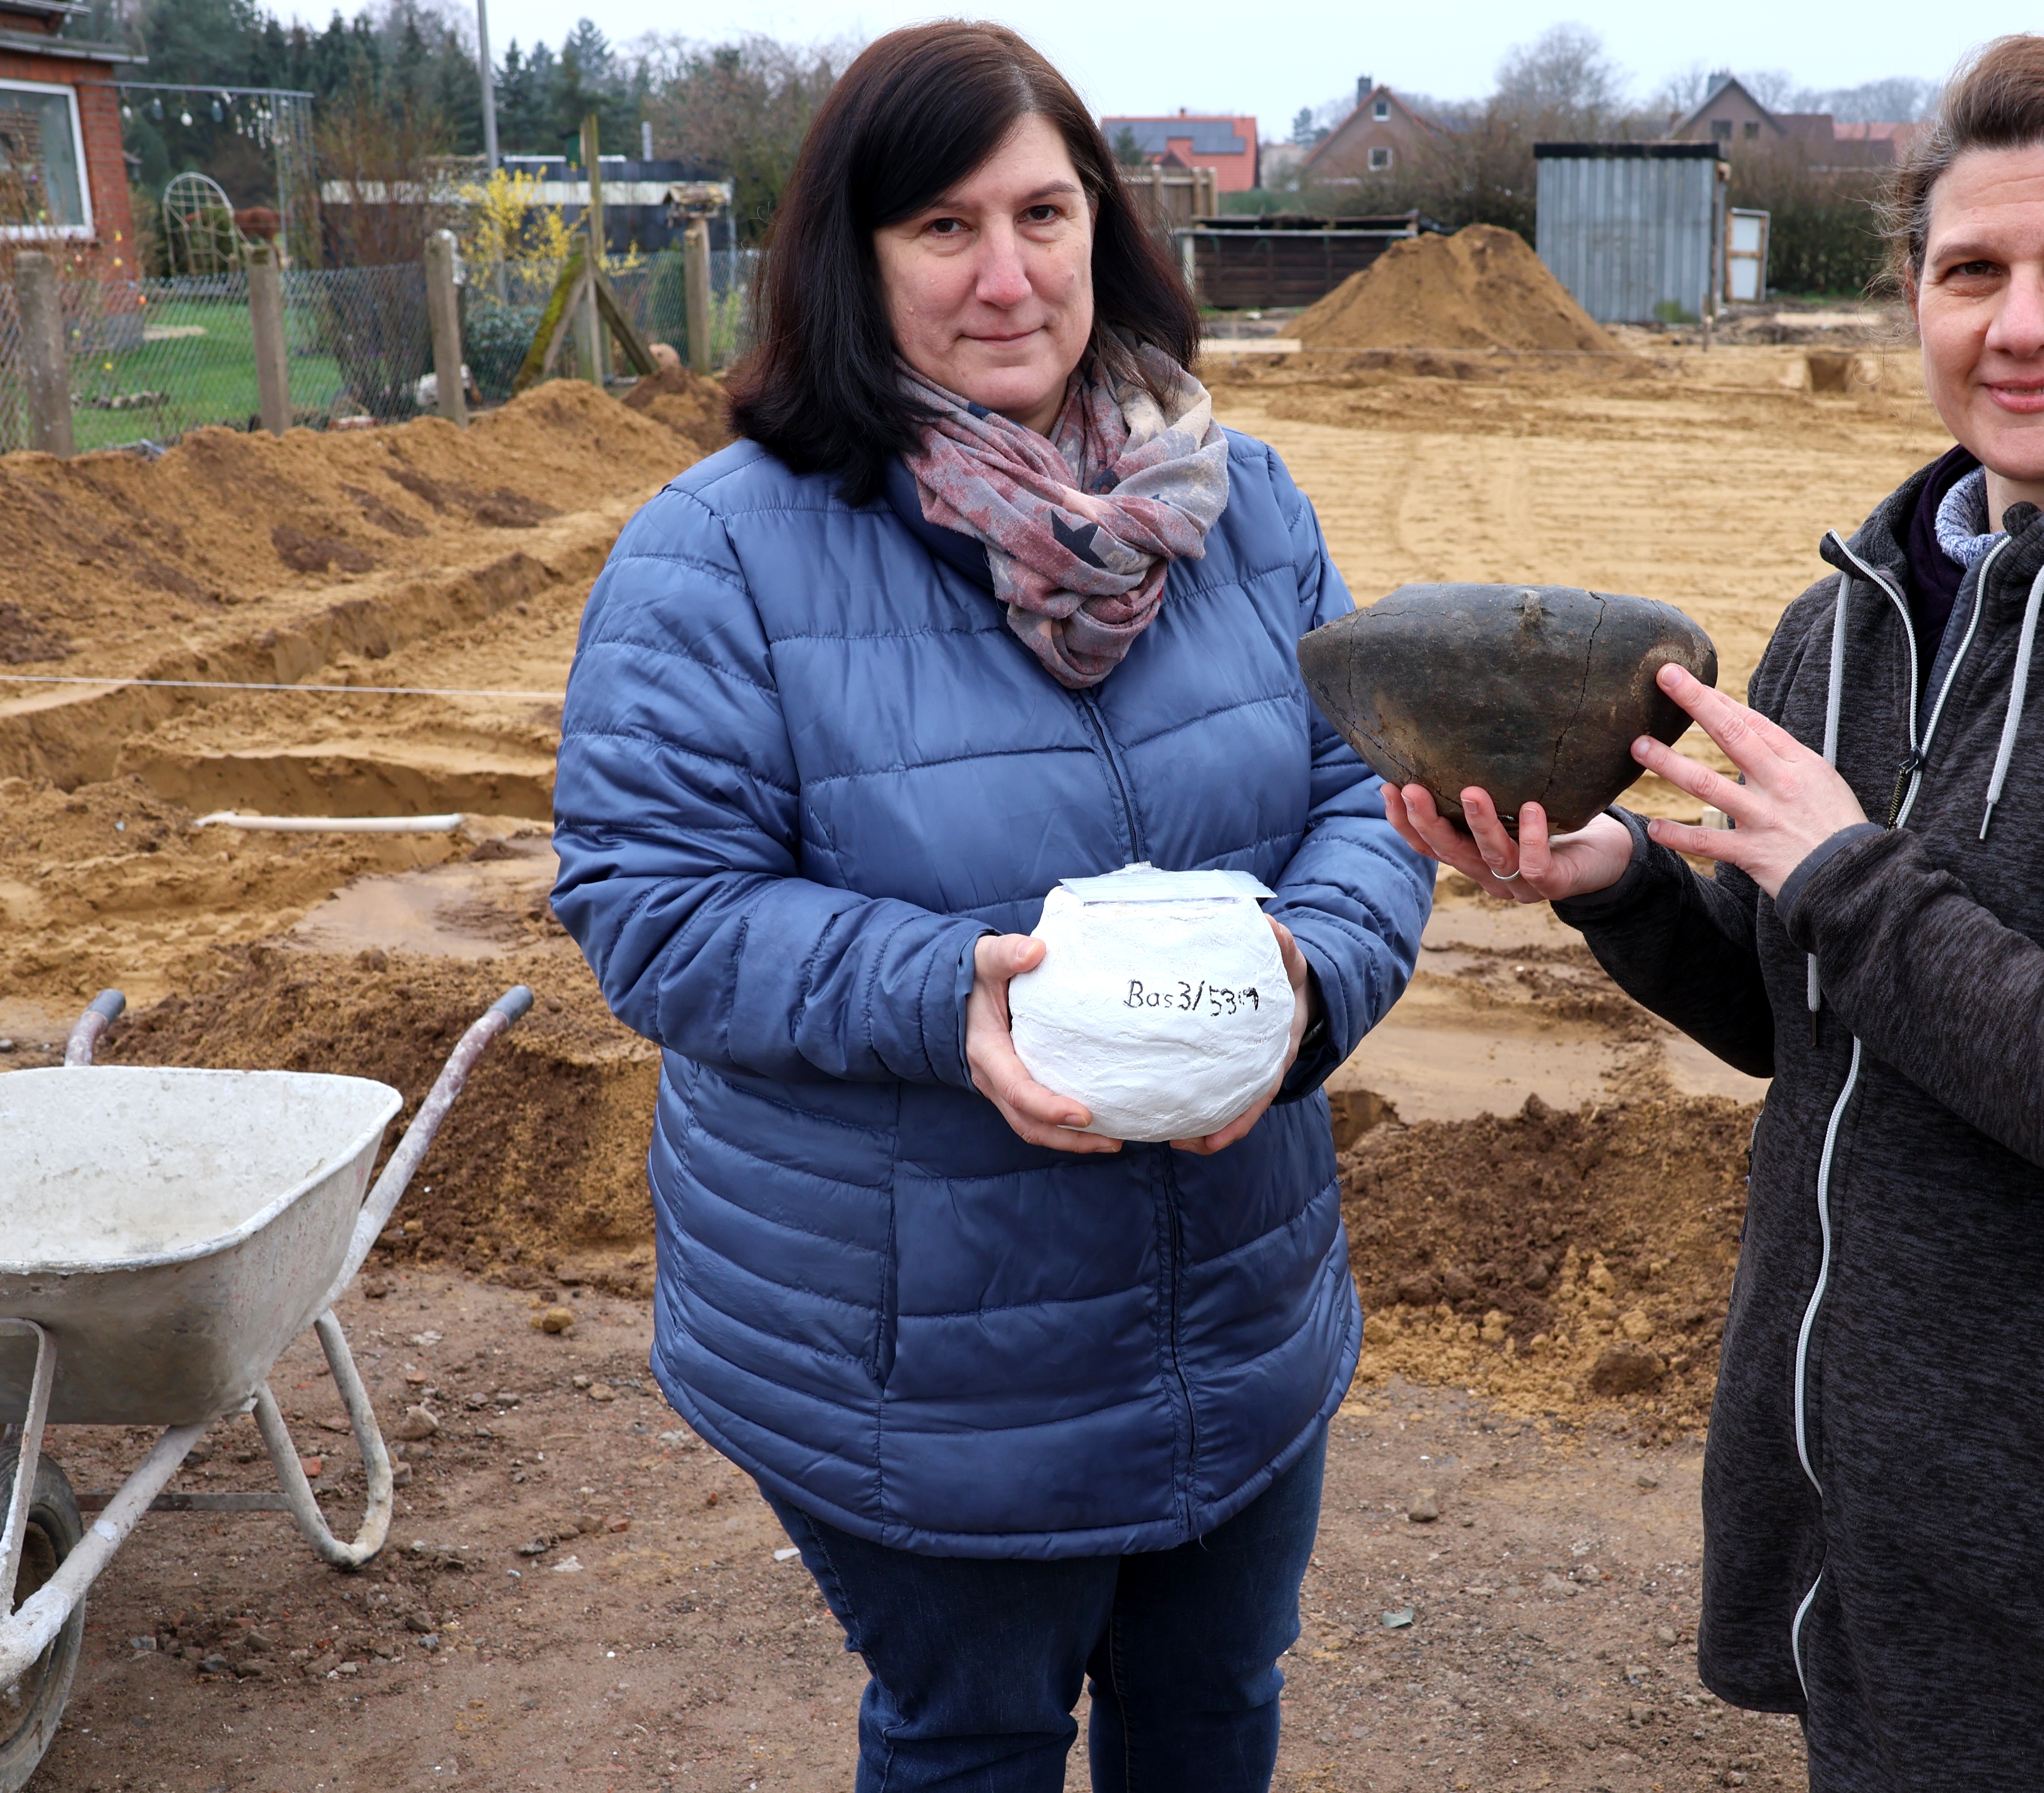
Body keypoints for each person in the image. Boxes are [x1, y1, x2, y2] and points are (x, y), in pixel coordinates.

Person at [1384, 35, 2044, 1793]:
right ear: (1917, 304)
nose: (2023, 323)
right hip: (1857, 1486)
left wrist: (1851, 872)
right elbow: (1807, 1017)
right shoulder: (1855, 615)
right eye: (1973, 273)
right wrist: (1624, 886)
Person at [549, 22, 1431, 1792]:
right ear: (853, 261)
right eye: (946, 228)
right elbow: (649, 899)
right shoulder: (723, 551)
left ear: (1105, 224)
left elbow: (1362, 791)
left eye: (1045, 213)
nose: (1011, 275)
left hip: (1239, 1301)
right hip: (916, 1351)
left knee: (1217, 1706)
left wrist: (1310, 973)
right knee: (974, 1735)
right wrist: (940, 994)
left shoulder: (1241, 506)